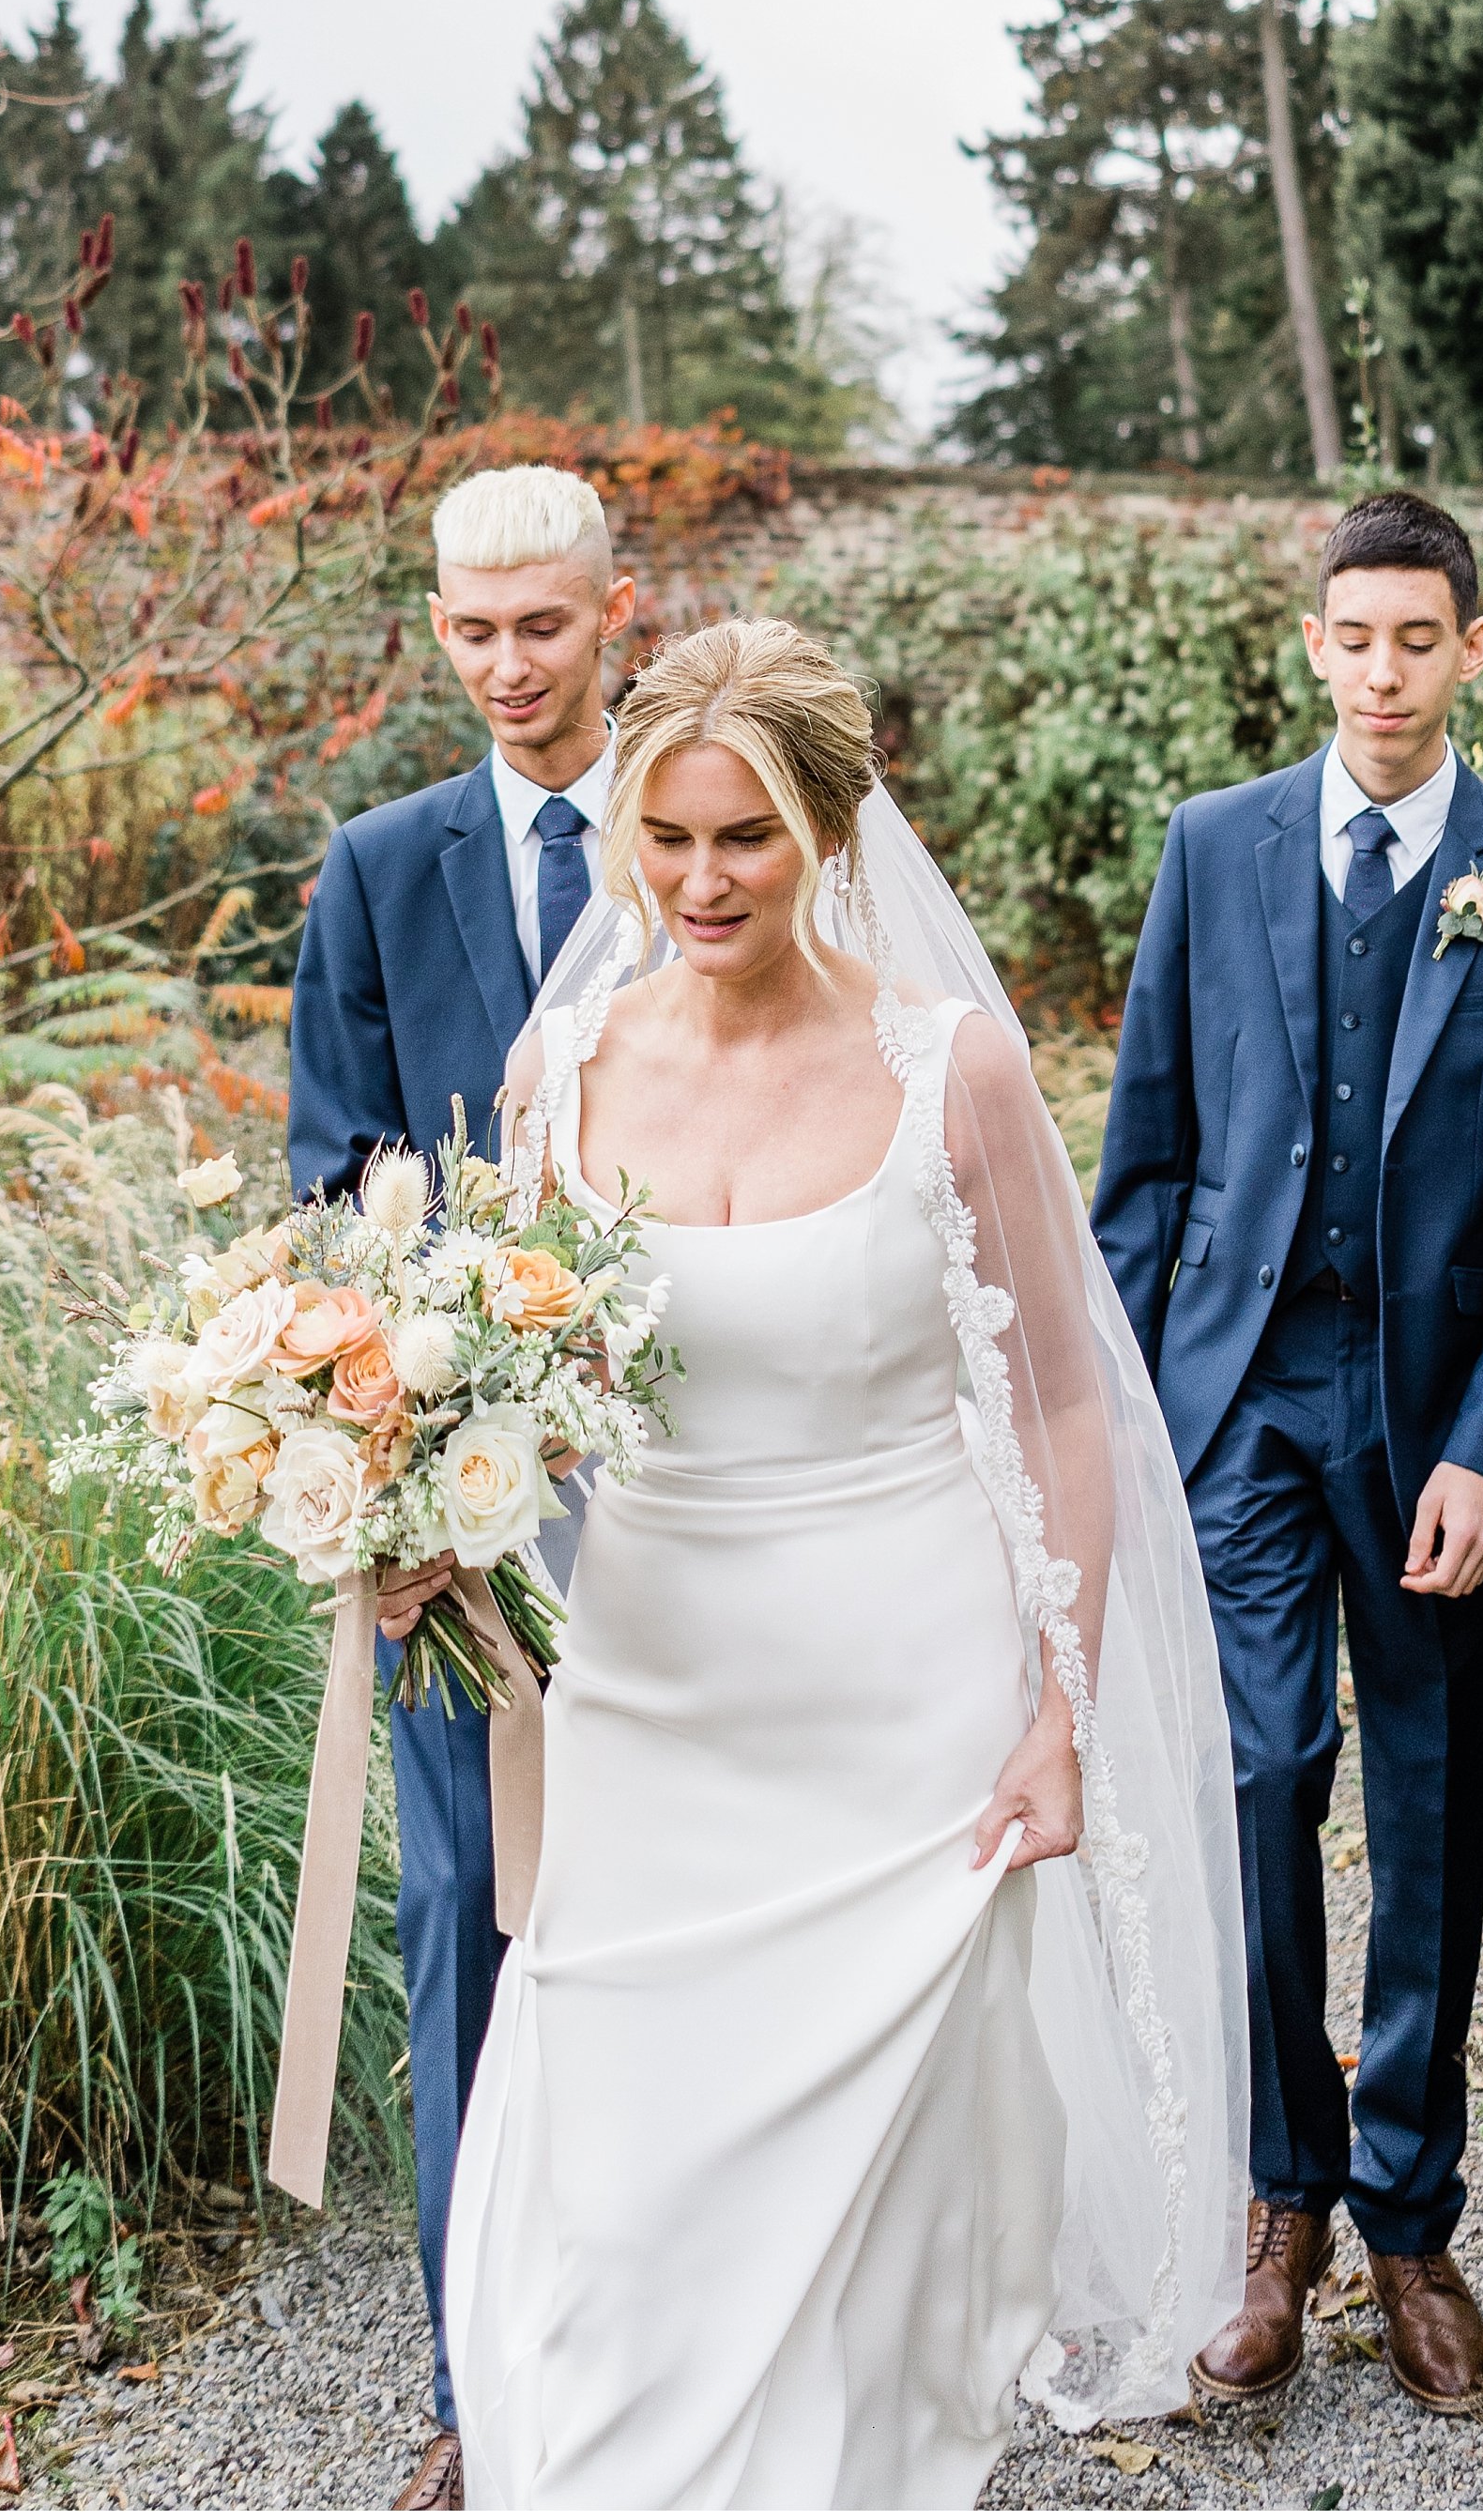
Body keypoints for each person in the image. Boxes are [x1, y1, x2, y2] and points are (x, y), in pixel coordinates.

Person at [446, 617, 1251, 2511]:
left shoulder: (946, 1069)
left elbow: (1060, 1405)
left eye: (744, 839)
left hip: (903, 1717)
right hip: (649, 1701)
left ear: (825, 834)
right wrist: (413, 1508)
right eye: (666, 838)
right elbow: (527, 1397)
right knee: (621, 2204)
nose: (700, 881)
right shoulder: (554, 1074)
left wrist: (1058, 1714)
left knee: (879, 2251)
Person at [1093, 491, 1483, 2420]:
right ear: (1309, 644)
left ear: (1472, 646)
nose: (1381, 671)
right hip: (1231, 1403)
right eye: (1352, 636)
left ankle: (1408, 2218)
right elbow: (1143, 1157)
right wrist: (1120, 1428)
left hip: (1422, 1436)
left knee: (1417, 1813)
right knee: (1247, 1781)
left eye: (1418, 637)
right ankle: (1277, 2199)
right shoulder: (1210, 850)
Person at [287, 462, 635, 2515]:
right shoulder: (376, 865)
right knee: (463, 1931)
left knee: (662, 1907)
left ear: (615, 612)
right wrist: (395, 1446)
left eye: (544, 626)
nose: (507, 668)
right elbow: (338, 1176)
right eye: (471, 629)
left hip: (682, 1489)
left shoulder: (693, 849)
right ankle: (471, 2382)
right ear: (436, 625)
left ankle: (654, 2342)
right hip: (459, 1508)